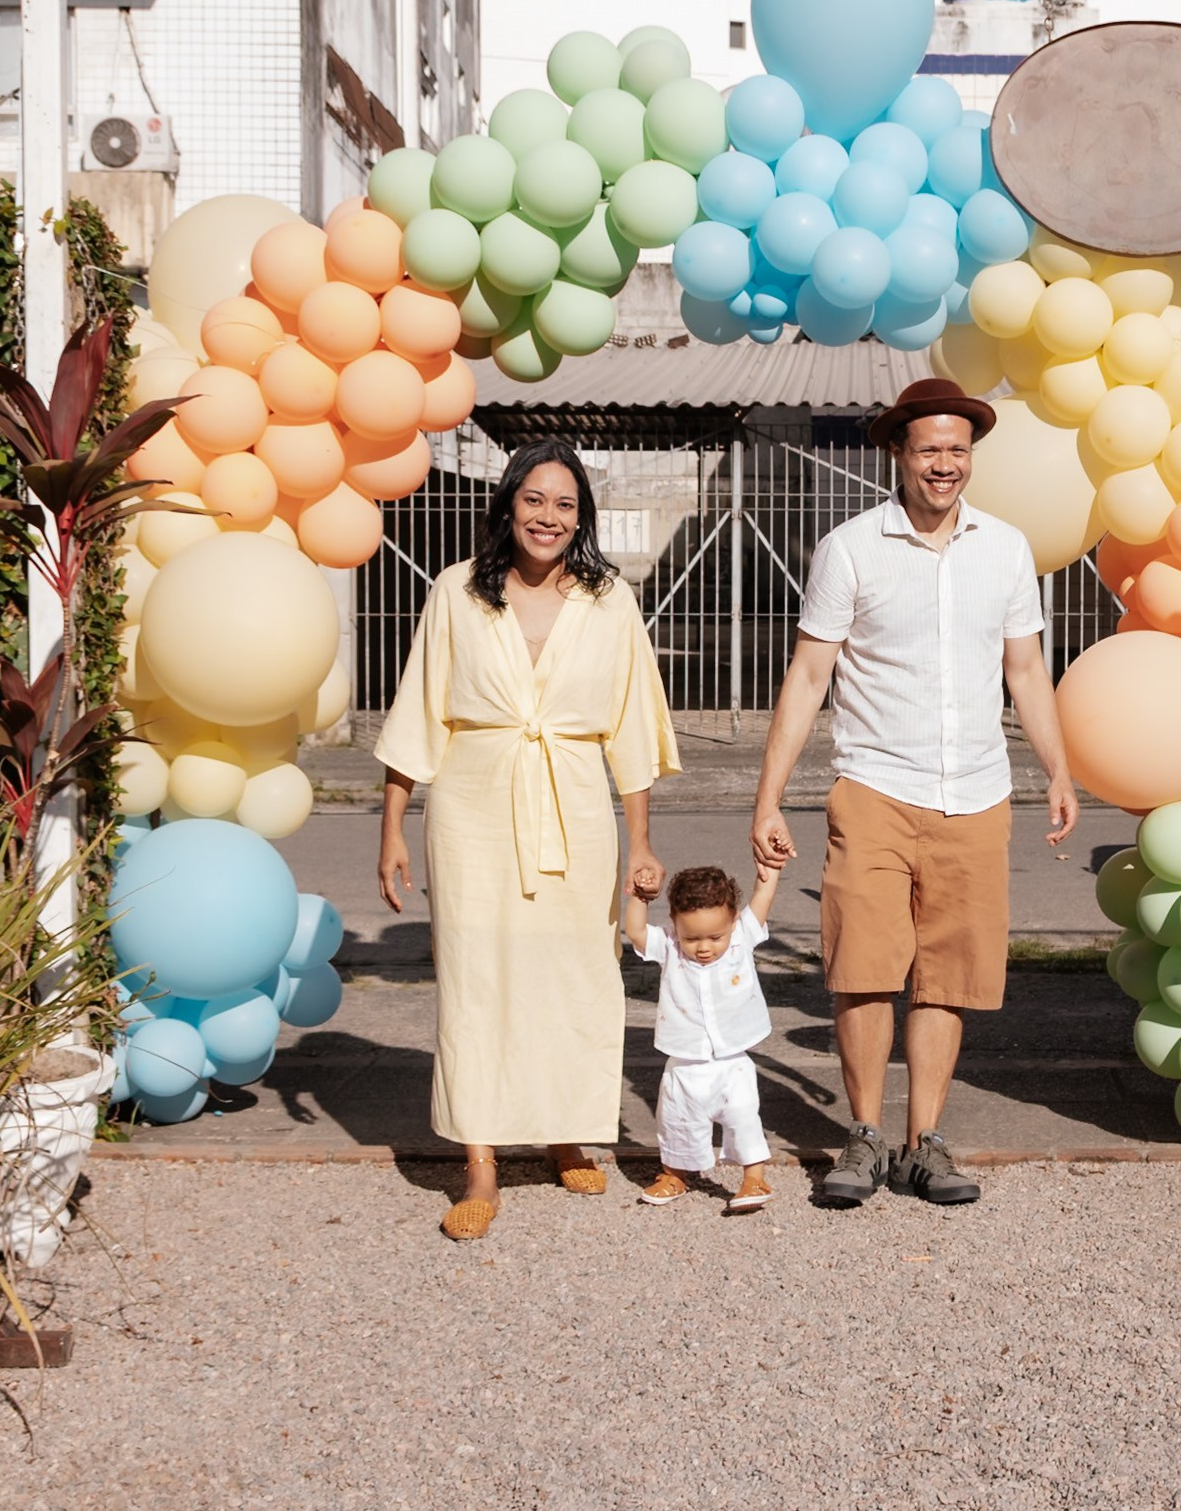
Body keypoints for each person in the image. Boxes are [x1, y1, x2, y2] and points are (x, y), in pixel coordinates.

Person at [751, 378, 1079, 1208]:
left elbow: (1027, 669)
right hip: (876, 787)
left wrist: (1059, 769)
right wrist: (769, 796)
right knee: (862, 969)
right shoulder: (851, 548)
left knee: (949, 975)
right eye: (930, 448)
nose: (945, 464)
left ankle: (923, 1142)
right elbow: (808, 675)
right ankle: (862, 1137)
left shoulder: (1005, 549)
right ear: (898, 453)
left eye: (958, 450)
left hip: (975, 790)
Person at [375, 440, 680, 1242]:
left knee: (575, 973)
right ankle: (480, 1159)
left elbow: (632, 726)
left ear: (582, 517)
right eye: (536, 500)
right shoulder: (456, 594)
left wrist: (641, 842)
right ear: (509, 504)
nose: (550, 517)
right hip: (473, 805)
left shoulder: (610, 600)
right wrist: (392, 830)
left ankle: (564, 1131)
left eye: (566, 504)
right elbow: (419, 710)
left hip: (576, 805)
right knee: (477, 977)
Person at [625, 862, 780, 1213]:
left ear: (733, 923)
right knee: (677, 1119)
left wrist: (770, 869)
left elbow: (763, 896)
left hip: (733, 1061)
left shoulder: (743, 936)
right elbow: (634, 930)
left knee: (743, 1117)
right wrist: (639, 896)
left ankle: (753, 1176)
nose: (704, 947)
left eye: (715, 937)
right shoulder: (668, 946)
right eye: (692, 938)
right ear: (675, 925)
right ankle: (674, 1174)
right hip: (684, 1060)